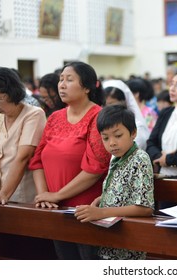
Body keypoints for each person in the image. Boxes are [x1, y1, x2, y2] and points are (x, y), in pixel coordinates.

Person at [29, 61, 111, 259]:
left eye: (69, 80)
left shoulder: (98, 116)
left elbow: (95, 168)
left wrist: (57, 195)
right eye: (60, 80)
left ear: (87, 87)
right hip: (54, 207)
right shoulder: (55, 117)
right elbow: (37, 160)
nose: (62, 85)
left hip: (86, 209)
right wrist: (44, 196)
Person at [75, 105, 154, 260]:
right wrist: (101, 199)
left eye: (118, 136)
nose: (111, 143)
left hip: (127, 245)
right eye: (105, 138)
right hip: (109, 241)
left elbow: (144, 208)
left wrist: (101, 212)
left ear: (133, 133)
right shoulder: (115, 158)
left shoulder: (140, 158)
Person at [0, 67, 46, 211]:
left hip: (22, 196)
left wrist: (3, 194)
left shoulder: (33, 115)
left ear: (12, 92)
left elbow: (23, 158)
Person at [102, 79, 150, 150]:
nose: (106, 109)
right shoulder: (103, 125)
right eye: (104, 105)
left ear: (124, 102)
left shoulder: (138, 127)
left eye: (111, 104)